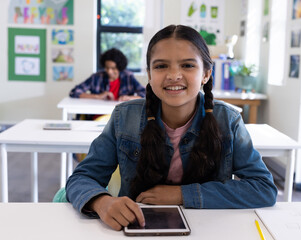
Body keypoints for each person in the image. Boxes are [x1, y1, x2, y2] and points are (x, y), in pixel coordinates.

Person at [66, 25, 277, 231]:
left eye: (187, 65)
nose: (174, 75)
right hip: (136, 229)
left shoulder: (227, 120)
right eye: (160, 66)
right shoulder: (124, 117)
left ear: (206, 74)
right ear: (149, 74)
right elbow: (82, 178)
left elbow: (263, 188)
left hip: (210, 230)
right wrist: (102, 202)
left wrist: (182, 194)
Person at [69, 48, 145, 101]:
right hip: (98, 116)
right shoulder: (97, 77)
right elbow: (74, 92)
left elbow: (145, 93)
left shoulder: (128, 77)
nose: (109, 71)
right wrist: (97, 96)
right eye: (107, 67)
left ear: (120, 67)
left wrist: (129, 98)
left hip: (121, 117)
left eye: (113, 68)